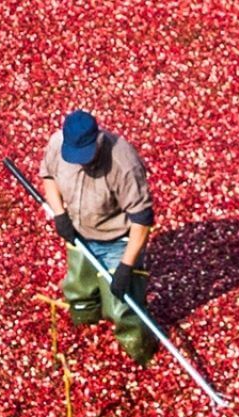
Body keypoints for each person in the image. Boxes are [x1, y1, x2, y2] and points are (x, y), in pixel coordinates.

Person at [38, 109, 158, 366]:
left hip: (118, 240)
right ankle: (86, 324)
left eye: (86, 155)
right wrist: (60, 215)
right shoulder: (58, 145)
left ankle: (140, 351)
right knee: (79, 288)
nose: (81, 162)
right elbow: (48, 176)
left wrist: (126, 266)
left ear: (98, 140)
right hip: (80, 233)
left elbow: (142, 220)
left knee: (123, 306)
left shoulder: (123, 163)